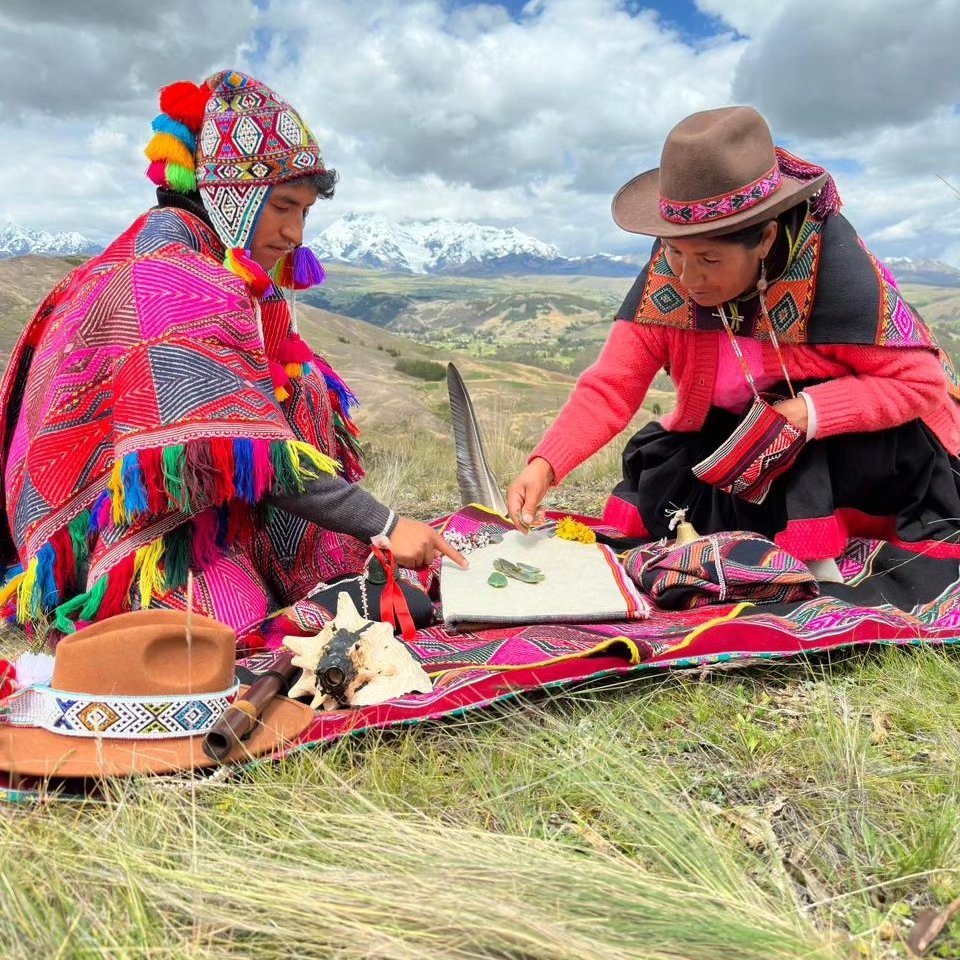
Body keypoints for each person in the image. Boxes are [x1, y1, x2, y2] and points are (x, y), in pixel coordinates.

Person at [0, 69, 465, 644]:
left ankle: (305, 574)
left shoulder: (198, 254)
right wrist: (385, 523)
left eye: (305, 213)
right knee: (224, 636)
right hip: (121, 525)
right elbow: (253, 445)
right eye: (283, 207)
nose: (295, 233)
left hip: (174, 503)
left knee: (303, 387)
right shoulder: (178, 277)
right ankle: (158, 595)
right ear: (233, 197)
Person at [507, 106, 960, 572]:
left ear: (764, 239)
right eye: (675, 252)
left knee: (797, 444)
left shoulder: (837, 278)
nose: (688, 277)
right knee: (680, 477)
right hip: (742, 437)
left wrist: (806, 413)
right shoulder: (668, 279)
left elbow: (920, 385)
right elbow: (611, 385)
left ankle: (819, 550)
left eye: (709, 258)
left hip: (858, 445)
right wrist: (546, 465)